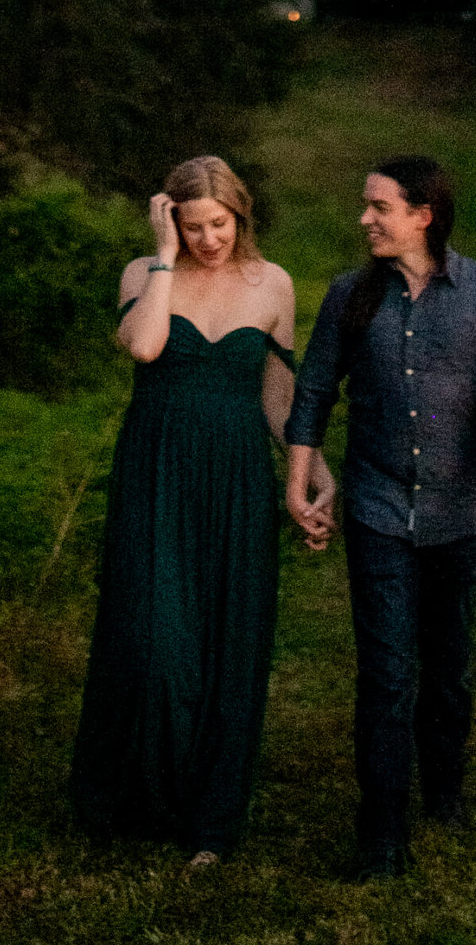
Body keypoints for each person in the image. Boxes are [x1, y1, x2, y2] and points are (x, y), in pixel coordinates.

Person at [283, 156, 476, 878]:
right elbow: (313, 396)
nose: (364, 219)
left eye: (379, 207)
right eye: (366, 206)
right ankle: (382, 833)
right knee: (387, 676)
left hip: (459, 517)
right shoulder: (346, 297)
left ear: (423, 214)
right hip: (377, 510)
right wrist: (298, 487)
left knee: (448, 669)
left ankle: (445, 788)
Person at [68, 152, 319, 865]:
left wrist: (309, 472)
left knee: (227, 642)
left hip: (237, 476)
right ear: (170, 220)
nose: (210, 239)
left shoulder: (273, 284)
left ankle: (209, 821)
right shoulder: (145, 276)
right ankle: (128, 799)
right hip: (156, 470)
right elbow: (145, 345)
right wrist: (163, 257)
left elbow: (278, 395)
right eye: (193, 225)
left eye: (220, 223)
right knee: (150, 634)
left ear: (240, 214)